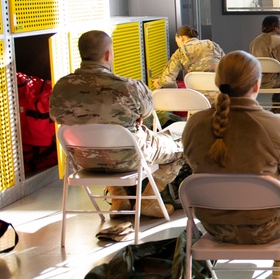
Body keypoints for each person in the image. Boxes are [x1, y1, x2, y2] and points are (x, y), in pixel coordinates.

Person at [182, 51, 280, 262]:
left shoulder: (194, 124)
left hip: (215, 227)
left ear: (218, 82)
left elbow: (192, 165)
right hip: (269, 229)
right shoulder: (274, 125)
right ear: (256, 85)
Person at [49, 30, 182, 219]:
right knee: (182, 146)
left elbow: (56, 116)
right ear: (107, 55)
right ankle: (148, 201)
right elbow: (147, 111)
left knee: (103, 143)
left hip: (85, 160)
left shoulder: (61, 88)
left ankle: (119, 199)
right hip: (130, 158)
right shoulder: (128, 87)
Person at [149, 25, 224, 92]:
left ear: (181, 38)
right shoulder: (212, 44)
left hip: (197, 97)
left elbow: (167, 80)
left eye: (177, 41)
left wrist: (159, 82)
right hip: (219, 93)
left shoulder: (181, 51)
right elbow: (226, 66)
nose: (177, 44)